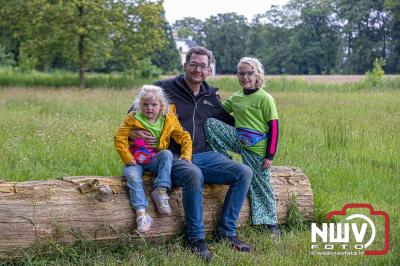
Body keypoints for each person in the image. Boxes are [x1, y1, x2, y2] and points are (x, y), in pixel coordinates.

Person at [129, 47, 253, 261]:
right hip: (172, 155)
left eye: (203, 65)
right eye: (193, 64)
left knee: (244, 172)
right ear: (185, 66)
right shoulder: (163, 88)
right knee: (193, 174)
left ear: (209, 70)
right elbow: (132, 113)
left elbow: (231, 123)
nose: (198, 69)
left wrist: (259, 125)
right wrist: (134, 132)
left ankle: (227, 233)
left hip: (205, 155)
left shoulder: (211, 97)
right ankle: (195, 239)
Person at [204, 57, 281, 240]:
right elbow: (220, 115)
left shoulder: (264, 98)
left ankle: (271, 224)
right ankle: (225, 162)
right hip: (239, 140)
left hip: (257, 148)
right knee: (210, 124)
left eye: (249, 73)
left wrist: (269, 155)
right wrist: (210, 100)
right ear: (237, 75)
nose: (245, 77)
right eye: (241, 73)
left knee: (260, 184)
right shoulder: (237, 97)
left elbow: (275, 128)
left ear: (257, 75)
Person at [114, 85, 192, 233]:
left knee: (167, 154)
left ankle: (160, 191)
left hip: (154, 159)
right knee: (131, 175)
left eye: (154, 105)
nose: (149, 108)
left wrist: (186, 155)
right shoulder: (133, 118)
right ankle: (142, 214)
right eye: (145, 104)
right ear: (139, 105)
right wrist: (127, 157)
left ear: (161, 106)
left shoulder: (168, 118)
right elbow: (119, 137)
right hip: (135, 159)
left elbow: (184, 136)